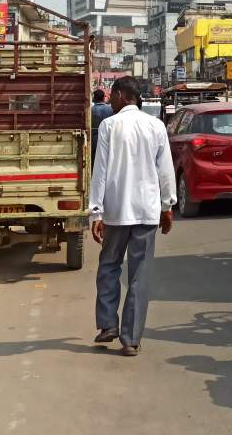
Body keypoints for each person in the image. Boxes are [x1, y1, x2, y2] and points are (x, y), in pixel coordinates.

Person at [89, 77, 176, 356]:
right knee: (139, 275)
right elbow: (165, 170)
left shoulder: (109, 126)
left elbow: (100, 171)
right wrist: (167, 206)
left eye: (112, 96)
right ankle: (131, 339)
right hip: (146, 212)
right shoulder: (155, 126)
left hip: (116, 211)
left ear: (120, 95)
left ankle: (108, 325)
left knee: (109, 266)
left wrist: (96, 212)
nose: (110, 102)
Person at [90, 89, 113, 164]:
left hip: (94, 139)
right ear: (103, 98)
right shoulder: (110, 109)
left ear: (94, 98)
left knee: (94, 160)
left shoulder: (90, 110)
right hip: (108, 138)